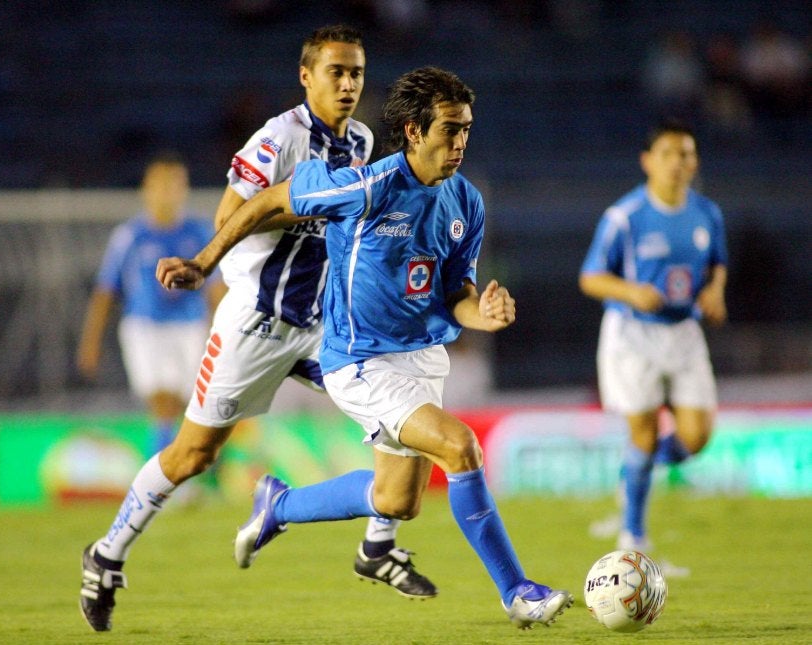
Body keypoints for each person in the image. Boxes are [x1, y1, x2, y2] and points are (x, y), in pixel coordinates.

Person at [157, 66, 574, 630]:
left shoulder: (466, 202)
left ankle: (278, 506)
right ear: (412, 131)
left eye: (466, 130)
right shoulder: (367, 184)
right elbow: (264, 203)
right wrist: (205, 265)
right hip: (359, 360)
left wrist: (485, 314)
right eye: (449, 130)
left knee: (396, 498)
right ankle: (518, 592)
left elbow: (457, 293)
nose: (460, 143)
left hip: (423, 358)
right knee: (461, 448)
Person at [79, 25, 437, 634]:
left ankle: (378, 545)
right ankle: (106, 554)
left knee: (399, 412)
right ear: (307, 75)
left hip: (322, 323)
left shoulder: (362, 140)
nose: (348, 84)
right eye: (336, 72)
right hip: (258, 322)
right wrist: (211, 260)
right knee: (194, 453)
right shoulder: (279, 138)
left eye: (356, 72)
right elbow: (228, 214)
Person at [579, 119, 728, 555]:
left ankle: (633, 476)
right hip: (632, 335)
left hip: (683, 330)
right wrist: (630, 292)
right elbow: (590, 277)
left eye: (686, 154)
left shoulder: (707, 213)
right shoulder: (624, 217)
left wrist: (715, 291)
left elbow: (717, 263)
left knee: (696, 437)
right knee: (642, 432)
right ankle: (634, 540)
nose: (678, 163)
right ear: (648, 161)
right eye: (668, 154)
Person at [77, 151, 217, 456]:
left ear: (184, 189)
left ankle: (171, 471)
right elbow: (105, 291)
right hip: (144, 328)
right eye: (161, 184)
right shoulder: (130, 236)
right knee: (161, 400)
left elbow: (217, 288)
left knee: (185, 405)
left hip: (190, 326)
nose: (167, 192)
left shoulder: (200, 233)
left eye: (175, 184)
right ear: (146, 189)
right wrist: (91, 341)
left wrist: (222, 332)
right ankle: (166, 476)